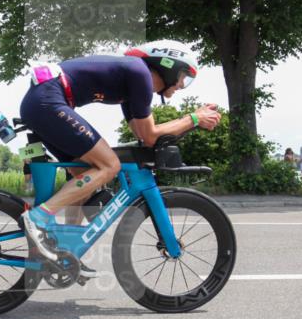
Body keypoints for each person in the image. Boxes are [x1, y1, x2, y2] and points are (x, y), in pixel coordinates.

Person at [19, 40, 221, 260]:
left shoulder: (132, 81)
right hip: (48, 100)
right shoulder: (140, 74)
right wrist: (193, 118)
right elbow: (150, 135)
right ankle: (38, 217)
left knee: (85, 173)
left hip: (43, 101)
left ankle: (66, 249)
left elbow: (145, 136)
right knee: (110, 165)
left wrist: (190, 121)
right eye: (184, 76)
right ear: (169, 66)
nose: (182, 85)